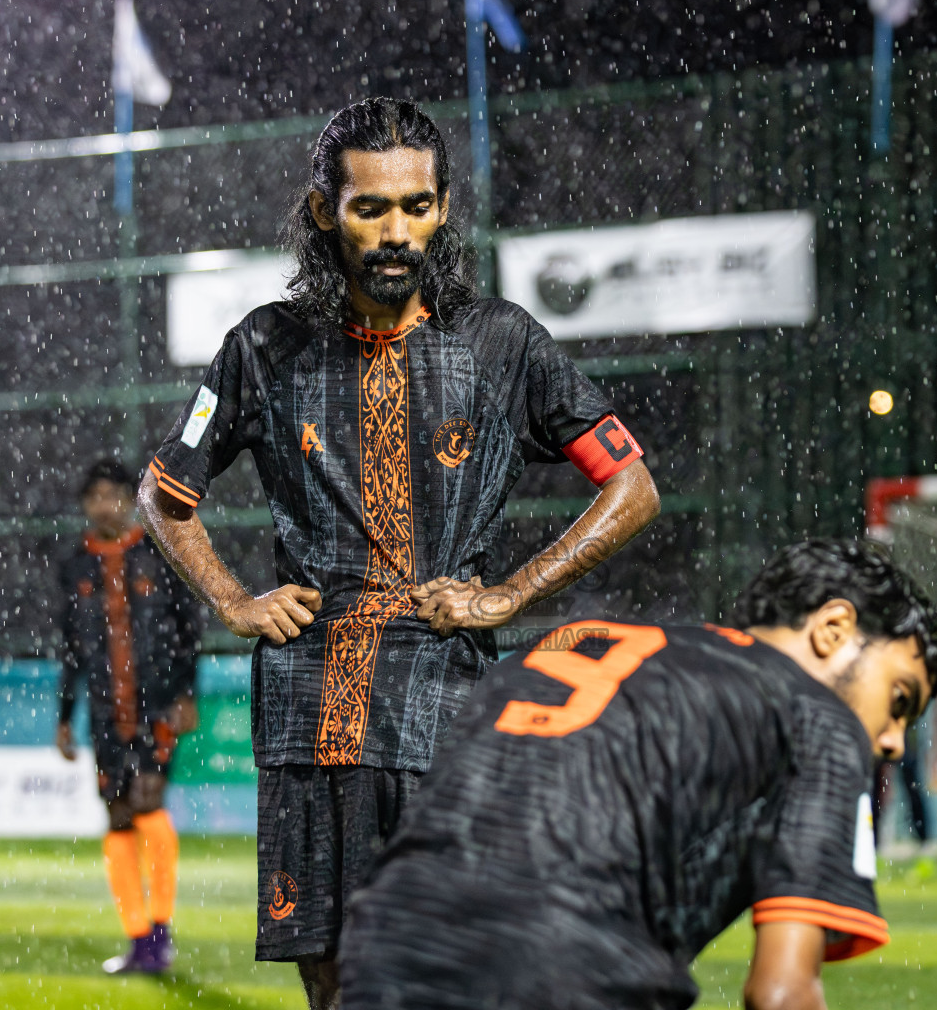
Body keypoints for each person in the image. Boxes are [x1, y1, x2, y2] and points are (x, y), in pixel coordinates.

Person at [138, 97, 660, 1008]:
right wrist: (234, 601)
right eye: (370, 207)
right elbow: (164, 493)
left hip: (444, 708)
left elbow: (632, 487)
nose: (396, 231)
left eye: (416, 206)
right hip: (308, 713)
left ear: (445, 208)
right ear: (321, 211)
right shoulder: (265, 348)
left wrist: (509, 594)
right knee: (336, 987)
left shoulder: (500, 344)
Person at [336, 538, 937, 1010]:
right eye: (899, 699)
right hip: (568, 968)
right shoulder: (821, 718)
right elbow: (782, 993)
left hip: (384, 944)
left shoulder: (580, 643)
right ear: (833, 628)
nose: (893, 741)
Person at [56, 457, 202, 974]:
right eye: (94, 496)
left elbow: (188, 631)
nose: (103, 504)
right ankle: (138, 938)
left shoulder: (158, 554)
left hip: (154, 705)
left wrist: (187, 693)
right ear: (85, 506)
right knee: (118, 816)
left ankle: (160, 935)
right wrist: (63, 716)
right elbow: (71, 649)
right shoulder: (75, 565)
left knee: (148, 803)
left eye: (113, 494)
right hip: (103, 713)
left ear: (129, 500)